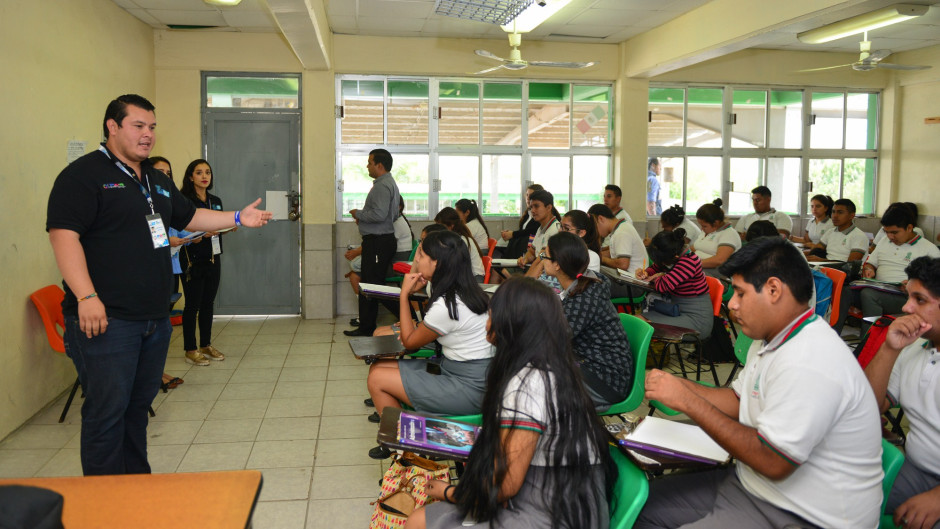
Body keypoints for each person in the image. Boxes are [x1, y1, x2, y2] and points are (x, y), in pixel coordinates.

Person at [46, 94, 272, 475]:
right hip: (107, 320)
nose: (147, 134)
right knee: (106, 414)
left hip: (153, 318)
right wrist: (86, 296)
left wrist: (236, 216)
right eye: (138, 126)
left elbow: (190, 215)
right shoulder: (83, 176)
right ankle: (104, 504)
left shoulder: (154, 179)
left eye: (152, 127)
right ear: (112, 127)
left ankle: (135, 487)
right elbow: (63, 235)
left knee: (137, 410)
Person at [635, 237, 883, 529]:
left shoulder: (810, 360)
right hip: (753, 485)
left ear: (774, 290)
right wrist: (679, 386)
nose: (731, 303)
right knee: (639, 505)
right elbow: (738, 400)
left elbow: (773, 461)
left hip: (803, 514)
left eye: (739, 293)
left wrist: (688, 402)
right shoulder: (773, 338)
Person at [406, 277, 612, 529]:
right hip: (562, 497)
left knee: (418, 521)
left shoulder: (528, 383)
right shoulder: (550, 368)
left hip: (554, 512)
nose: (487, 323)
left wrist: (449, 491)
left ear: (513, 324)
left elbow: (506, 484)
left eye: (491, 314)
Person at [365, 230, 493, 459]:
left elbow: (410, 342)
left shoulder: (448, 303)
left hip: (468, 387)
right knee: (379, 368)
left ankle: (405, 452)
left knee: (377, 378)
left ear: (438, 263)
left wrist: (404, 295)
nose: (416, 258)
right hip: (465, 373)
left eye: (422, 255)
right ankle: (404, 439)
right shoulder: (461, 289)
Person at [864, 256, 940, 529]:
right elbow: (868, 407)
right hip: (914, 469)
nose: (906, 307)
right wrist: (889, 349)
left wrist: (937, 499)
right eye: (908, 297)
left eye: (919, 300)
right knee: (842, 501)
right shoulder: (916, 348)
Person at [541, 232, 633, 408]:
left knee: (533, 389)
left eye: (544, 256)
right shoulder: (581, 288)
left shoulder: (583, 297)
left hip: (604, 382)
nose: (542, 260)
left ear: (558, 264)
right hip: (590, 369)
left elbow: (552, 340)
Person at [835, 203, 940, 335]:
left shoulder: (929, 250)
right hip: (879, 289)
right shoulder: (885, 241)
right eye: (887, 232)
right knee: (845, 291)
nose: (890, 236)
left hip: (905, 297)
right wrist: (869, 269)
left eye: (895, 232)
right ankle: (833, 336)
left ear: (909, 227)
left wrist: (913, 287)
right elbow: (871, 263)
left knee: (869, 294)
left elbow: (934, 288)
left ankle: (867, 343)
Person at [344, 149, 401, 337]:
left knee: (373, 286)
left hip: (378, 242)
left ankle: (410, 316)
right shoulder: (388, 184)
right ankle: (367, 327)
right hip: (378, 241)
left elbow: (380, 214)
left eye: (369, 163)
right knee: (370, 285)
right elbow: (390, 215)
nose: (367, 166)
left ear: (379, 165)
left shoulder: (382, 186)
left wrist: (358, 213)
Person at [179, 158, 229, 366]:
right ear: (191, 177)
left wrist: (228, 225)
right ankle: (190, 348)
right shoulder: (183, 200)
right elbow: (180, 227)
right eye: (199, 172)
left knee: (208, 303)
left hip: (212, 257)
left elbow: (219, 221)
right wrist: (202, 232)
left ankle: (205, 344)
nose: (204, 176)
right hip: (192, 259)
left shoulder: (215, 200)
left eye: (207, 172)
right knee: (192, 305)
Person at [149, 155, 191, 389]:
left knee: (162, 326)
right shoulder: (145, 201)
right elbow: (153, 238)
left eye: (168, 173)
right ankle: (152, 374)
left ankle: (157, 372)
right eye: (158, 172)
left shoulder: (168, 201)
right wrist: (168, 240)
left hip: (168, 268)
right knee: (153, 326)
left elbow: (187, 222)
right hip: (145, 274)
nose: (164, 177)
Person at [636, 228, 713, 337]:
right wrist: (645, 273)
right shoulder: (672, 255)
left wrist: (659, 276)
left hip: (697, 320)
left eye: (662, 260)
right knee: (637, 320)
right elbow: (656, 267)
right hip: (676, 311)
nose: (661, 263)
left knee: (640, 325)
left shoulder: (689, 261)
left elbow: (663, 285)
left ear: (674, 257)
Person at [345, 196, 413, 315]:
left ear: (399, 207)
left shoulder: (396, 222)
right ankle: (365, 314)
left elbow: (379, 243)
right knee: (357, 275)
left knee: (370, 279)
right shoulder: (393, 221)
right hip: (392, 261)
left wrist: (357, 254)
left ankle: (402, 314)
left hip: (397, 265)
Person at [589, 204, 646, 280]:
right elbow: (613, 252)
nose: (595, 231)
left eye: (595, 226)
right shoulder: (622, 227)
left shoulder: (622, 232)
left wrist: (600, 258)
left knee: (594, 273)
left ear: (601, 219)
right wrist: (594, 255)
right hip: (631, 278)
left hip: (633, 282)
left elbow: (623, 264)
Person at [805, 198, 869, 263]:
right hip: (825, 267)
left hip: (844, 271)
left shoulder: (859, 236)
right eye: (833, 212)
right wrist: (799, 254)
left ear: (851, 215)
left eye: (840, 212)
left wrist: (822, 261)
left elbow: (850, 265)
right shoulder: (830, 232)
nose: (835, 216)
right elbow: (816, 249)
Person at [691, 199, 741, 275]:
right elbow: (694, 248)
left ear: (716, 223)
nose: (702, 229)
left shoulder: (729, 234)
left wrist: (693, 265)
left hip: (717, 272)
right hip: (700, 267)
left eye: (704, 226)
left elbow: (719, 260)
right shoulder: (707, 230)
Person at [434, 207, 485, 281]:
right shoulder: (452, 239)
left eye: (441, 226)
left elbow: (454, 267)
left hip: (475, 279)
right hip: (465, 277)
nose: (438, 229)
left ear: (451, 226)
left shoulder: (461, 241)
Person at [517, 190, 561, 269]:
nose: (532, 211)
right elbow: (532, 252)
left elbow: (542, 257)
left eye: (536, 206)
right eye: (531, 207)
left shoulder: (555, 229)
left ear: (549, 208)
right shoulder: (540, 228)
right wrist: (524, 260)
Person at [498, 183, 542, 260]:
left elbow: (531, 231)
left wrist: (513, 234)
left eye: (531, 195)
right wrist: (510, 233)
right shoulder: (527, 214)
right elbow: (523, 231)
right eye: (527, 195)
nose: (528, 198)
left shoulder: (539, 216)